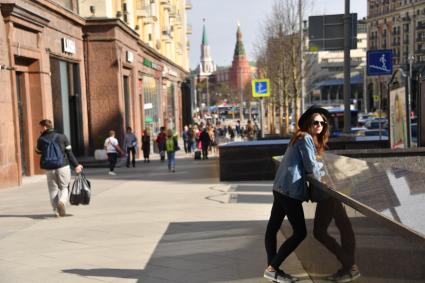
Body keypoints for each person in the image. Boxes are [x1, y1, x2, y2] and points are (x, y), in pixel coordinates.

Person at [264, 105, 330, 283]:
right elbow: (311, 168)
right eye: (316, 122)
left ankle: (272, 270)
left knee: (272, 227)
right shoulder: (306, 137)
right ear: (309, 122)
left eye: (322, 123)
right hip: (290, 191)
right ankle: (273, 268)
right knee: (300, 232)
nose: (319, 125)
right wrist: (326, 168)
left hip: (280, 187)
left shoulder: (298, 136)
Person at [35, 119, 83, 217]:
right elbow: (69, 153)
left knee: (53, 189)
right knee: (64, 187)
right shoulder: (62, 137)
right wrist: (76, 165)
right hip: (63, 165)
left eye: (40, 127)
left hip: (49, 168)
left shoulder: (41, 139)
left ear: (44, 127)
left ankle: (56, 211)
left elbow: (37, 151)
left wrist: (41, 137)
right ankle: (62, 202)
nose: (39, 129)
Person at [313, 190, 360, 282]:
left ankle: (350, 265)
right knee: (343, 225)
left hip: (327, 191)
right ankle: (349, 267)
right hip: (329, 190)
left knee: (320, 232)